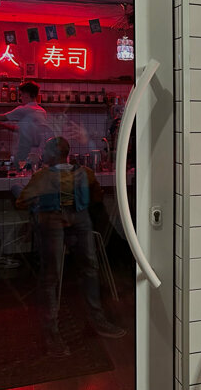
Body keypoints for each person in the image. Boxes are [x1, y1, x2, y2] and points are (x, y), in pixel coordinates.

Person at [16, 136, 125, 357]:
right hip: (80, 221)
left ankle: (51, 332)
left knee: (51, 276)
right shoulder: (86, 173)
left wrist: (26, 196)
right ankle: (96, 319)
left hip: (53, 222)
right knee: (89, 268)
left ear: (50, 155)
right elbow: (97, 197)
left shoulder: (41, 176)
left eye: (45, 152)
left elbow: (22, 202)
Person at [0, 80, 52, 165]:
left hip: (26, 154)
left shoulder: (23, 109)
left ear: (26, 94)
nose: (20, 97)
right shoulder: (42, 111)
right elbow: (28, 131)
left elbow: (0, 117)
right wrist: (4, 126)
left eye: (21, 94)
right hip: (39, 154)